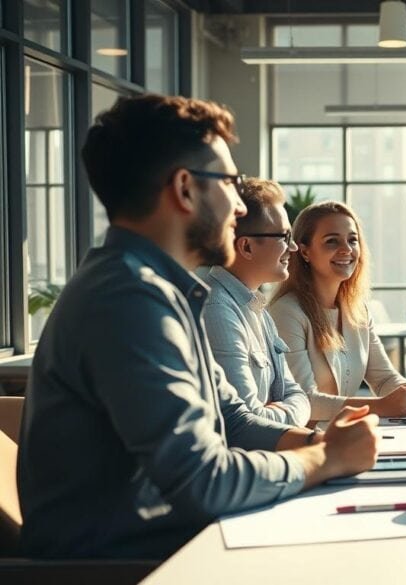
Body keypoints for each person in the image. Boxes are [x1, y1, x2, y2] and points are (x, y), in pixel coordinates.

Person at [17, 95, 378, 560]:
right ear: (185, 189)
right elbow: (201, 480)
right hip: (123, 566)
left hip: (167, 548)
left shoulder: (161, 290)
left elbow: (233, 420)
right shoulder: (127, 299)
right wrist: (324, 459)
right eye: (230, 182)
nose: (239, 206)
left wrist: (322, 441)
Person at [268, 201, 406, 422]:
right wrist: (380, 406)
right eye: (332, 241)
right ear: (305, 251)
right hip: (302, 442)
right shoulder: (286, 313)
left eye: (352, 240)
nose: (346, 249)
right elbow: (303, 401)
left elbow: (383, 379)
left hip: (342, 435)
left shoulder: (357, 310)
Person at [201, 177, 311, 426]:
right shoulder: (217, 311)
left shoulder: (256, 306)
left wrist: (278, 410)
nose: (292, 247)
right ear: (247, 247)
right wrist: (286, 411)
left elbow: (299, 396)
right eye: (284, 236)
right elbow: (246, 421)